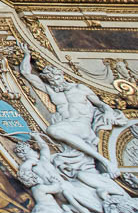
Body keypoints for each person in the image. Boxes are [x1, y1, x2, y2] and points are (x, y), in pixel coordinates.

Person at [19, 43, 127, 176]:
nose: (55, 82)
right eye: (52, 80)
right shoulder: (52, 91)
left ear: (62, 75)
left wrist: (109, 111)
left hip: (82, 125)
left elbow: (101, 104)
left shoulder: (80, 89)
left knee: (53, 130)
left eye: (57, 78)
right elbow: (26, 73)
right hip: (67, 126)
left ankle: (103, 160)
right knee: (55, 131)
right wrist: (27, 55)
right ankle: (102, 160)